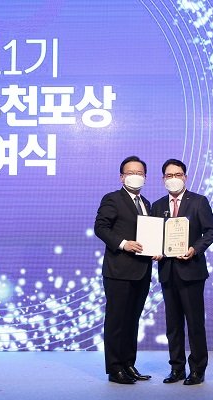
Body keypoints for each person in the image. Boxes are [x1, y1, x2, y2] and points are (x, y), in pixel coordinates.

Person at [151, 159, 213, 385]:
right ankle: (176, 368)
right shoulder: (157, 205)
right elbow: (154, 236)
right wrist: (154, 250)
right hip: (167, 271)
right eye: (169, 176)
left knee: (195, 323)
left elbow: (210, 232)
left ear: (185, 177)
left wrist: (194, 249)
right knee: (173, 324)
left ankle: (198, 369)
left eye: (177, 175)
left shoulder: (199, 201)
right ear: (163, 179)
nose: (174, 179)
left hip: (192, 271)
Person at [94, 156, 153, 384]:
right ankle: (114, 368)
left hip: (142, 270)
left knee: (132, 320)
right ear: (122, 177)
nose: (135, 176)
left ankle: (129, 364)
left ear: (145, 177)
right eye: (130, 172)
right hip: (118, 271)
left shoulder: (146, 203)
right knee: (117, 321)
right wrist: (123, 243)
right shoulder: (112, 199)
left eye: (140, 173)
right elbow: (101, 227)